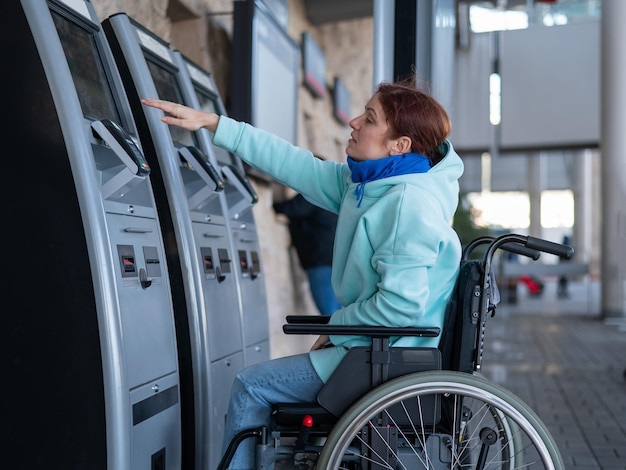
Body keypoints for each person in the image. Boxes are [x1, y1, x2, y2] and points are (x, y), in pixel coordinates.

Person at [142, 75, 464, 470]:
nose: (354, 123)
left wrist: (334, 326)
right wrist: (214, 124)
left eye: (369, 118)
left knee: (250, 386)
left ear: (398, 145)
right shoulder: (373, 185)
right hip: (372, 351)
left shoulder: (405, 204)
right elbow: (295, 164)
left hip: (383, 360)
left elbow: (401, 309)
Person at [273, 192, 341, 315]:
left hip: (320, 263)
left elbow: (289, 208)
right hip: (337, 262)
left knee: (330, 315)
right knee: (340, 314)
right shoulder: (334, 198)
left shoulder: (315, 195)